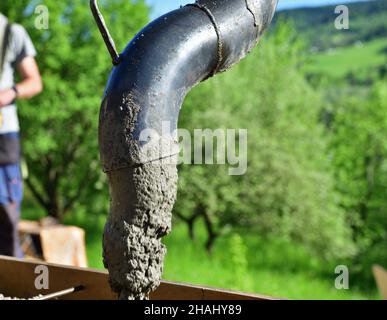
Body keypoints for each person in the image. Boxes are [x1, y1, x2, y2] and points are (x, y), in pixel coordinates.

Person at [0, 13, 42, 257]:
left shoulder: (11, 33)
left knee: (6, 218)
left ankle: (13, 288)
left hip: (3, 137)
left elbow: (34, 81)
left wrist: (8, 93)